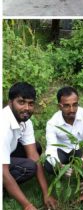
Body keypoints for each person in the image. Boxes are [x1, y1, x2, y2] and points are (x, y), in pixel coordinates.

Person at [2, 82, 58, 210]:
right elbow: (2, 171)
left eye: (31, 103)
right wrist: (27, 205)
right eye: (21, 102)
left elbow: (34, 156)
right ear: (10, 103)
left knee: (36, 148)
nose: (27, 108)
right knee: (28, 167)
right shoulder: (3, 126)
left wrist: (46, 194)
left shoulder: (24, 121)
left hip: (6, 154)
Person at [44, 86, 83, 176]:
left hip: (80, 149)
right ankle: (62, 173)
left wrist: (82, 161)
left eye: (75, 105)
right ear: (59, 106)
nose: (72, 110)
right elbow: (51, 148)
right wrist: (60, 166)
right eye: (66, 106)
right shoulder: (52, 123)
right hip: (62, 151)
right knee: (50, 165)